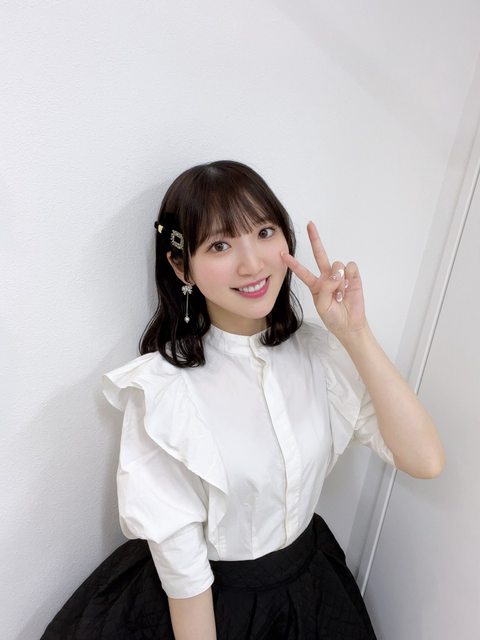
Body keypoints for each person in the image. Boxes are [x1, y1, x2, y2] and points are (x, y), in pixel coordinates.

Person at [42, 160, 445, 640]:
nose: (252, 264)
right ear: (181, 266)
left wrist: (354, 332)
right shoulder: (164, 392)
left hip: (311, 589)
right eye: (220, 245)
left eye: (264, 232)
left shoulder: (320, 355)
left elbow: (424, 460)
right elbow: (186, 577)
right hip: (210, 609)